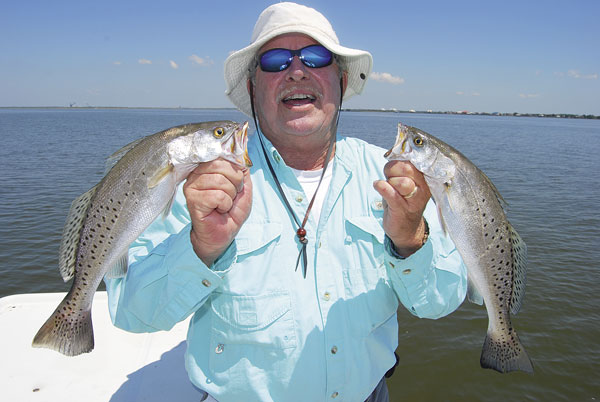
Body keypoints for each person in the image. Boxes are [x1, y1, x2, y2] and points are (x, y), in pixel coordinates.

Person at [105, 3, 467, 401]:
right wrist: (201, 247)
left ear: (342, 80)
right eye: (275, 61)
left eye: (316, 57)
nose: (296, 70)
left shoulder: (396, 179)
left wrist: (410, 239)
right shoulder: (198, 186)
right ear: (252, 89)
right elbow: (131, 313)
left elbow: (440, 302)